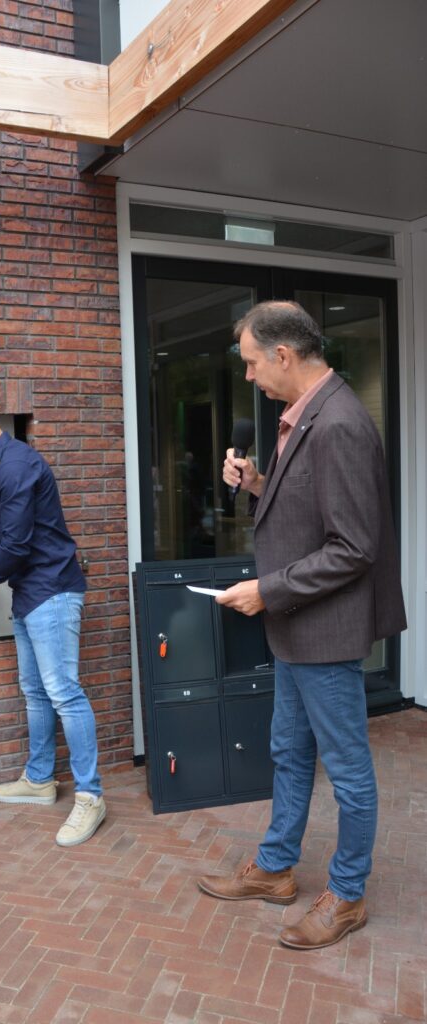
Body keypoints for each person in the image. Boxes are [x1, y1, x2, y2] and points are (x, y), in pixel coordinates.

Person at [197, 301, 406, 950]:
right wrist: (259, 484)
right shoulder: (303, 416)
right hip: (295, 628)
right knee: (289, 752)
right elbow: (312, 511)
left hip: (324, 631)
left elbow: (353, 547)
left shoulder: (339, 423)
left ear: (283, 355)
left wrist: (267, 590)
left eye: (252, 363)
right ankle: (276, 869)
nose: (249, 376)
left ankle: (347, 896)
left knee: (347, 770)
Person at [0, 393, 105, 847]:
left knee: (64, 693)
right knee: (36, 692)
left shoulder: (14, 466)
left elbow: (16, 547)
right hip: (32, 594)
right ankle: (39, 780)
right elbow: (14, 531)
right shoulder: (0, 465)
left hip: (52, 592)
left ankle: (91, 796)